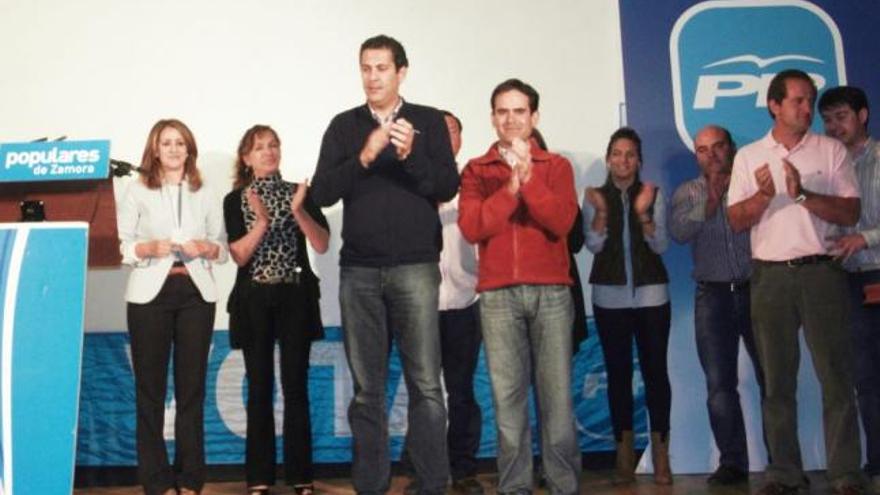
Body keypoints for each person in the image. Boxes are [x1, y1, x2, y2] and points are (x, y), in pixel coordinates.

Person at [309, 34, 459, 495]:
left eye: (381, 68)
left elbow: (447, 186)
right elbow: (322, 193)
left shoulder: (429, 122)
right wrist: (366, 156)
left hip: (415, 267)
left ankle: (432, 485)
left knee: (426, 386)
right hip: (359, 272)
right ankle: (370, 486)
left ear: (401, 72)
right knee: (366, 390)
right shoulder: (343, 126)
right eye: (366, 68)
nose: (373, 77)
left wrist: (411, 155)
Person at [727, 69, 865, 495]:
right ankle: (785, 472)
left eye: (810, 101)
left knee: (836, 377)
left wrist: (803, 194)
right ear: (774, 105)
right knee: (777, 381)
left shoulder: (830, 151)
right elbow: (735, 220)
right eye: (798, 101)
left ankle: (844, 473)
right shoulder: (749, 156)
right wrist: (766, 196)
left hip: (822, 274)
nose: (807, 109)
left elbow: (850, 213)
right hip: (769, 278)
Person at [458, 78, 581, 495]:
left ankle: (564, 485)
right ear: (493, 118)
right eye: (503, 112)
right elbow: (474, 226)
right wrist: (511, 187)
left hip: (551, 294)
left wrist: (530, 181)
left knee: (557, 401)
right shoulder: (476, 170)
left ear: (534, 117)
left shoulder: (557, 167)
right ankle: (515, 488)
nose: (511, 119)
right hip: (497, 296)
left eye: (519, 111)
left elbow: (562, 222)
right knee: (508, 404)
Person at [118, 118, 227, 495]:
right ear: (154, 149)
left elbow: (222, 248)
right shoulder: (136, 191)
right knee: (150, 391)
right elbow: (123, 246)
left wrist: (206, 248)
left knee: (191, 390)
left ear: (189, 149)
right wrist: (147, 249)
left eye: (180, 143)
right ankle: (156, 481)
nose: (174, 149)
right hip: (150, 295)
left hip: (196, 294)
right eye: (167, 143)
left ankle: (190, 479)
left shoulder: (205, 191)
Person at [223, 125, 329, 495]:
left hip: (295, 299)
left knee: (295, 386)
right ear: (247, 158)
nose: (268, 152)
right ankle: (259, 478)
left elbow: (322, 243)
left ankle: (302, 476)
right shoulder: (236, 199)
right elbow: (239, 255)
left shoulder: (298, 193)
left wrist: (298, 210)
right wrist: (264, 221)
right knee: (259, 387)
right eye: (259, 148)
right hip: (253, 300)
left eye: (273, 146)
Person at [669, 124, 766, 486]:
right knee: (719, 385)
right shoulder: (687, 192)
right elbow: (678, 233)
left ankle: (783, 461)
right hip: (712, 295)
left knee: (772, 378)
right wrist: (709, 203)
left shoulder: (754, 185)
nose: (711, 155)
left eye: (718, 147)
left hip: (757, 289)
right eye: (702, 150)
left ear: (732, 147)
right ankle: (733, 463)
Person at [583, 127, 672, 485]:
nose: (623, 160)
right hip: (609, 296)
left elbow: (662, 245)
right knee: (618, 375)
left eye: (630, 154)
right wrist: (602, 213)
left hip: (652, 295)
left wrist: (642, 214)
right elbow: (592, 245)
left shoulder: (653, 194)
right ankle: (624, 454)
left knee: (656, 375)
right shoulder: (594, 195)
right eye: (617, 154)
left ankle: (661, 454)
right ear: (608, 159)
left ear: (639, 160)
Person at [402, 111, 485, 495]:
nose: (446, 136)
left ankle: (464, 468)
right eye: (441, 130)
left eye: (453, 130)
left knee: (462, 389)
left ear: (461, 139)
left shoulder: (475, 181)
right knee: (424, 392)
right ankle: (425, 471)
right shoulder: (413, 180)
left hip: (467, 299)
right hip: (422, 303)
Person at [820, 86, 880, 492]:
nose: (833, 126)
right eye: (827, 119)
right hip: (847, 281)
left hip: (877, 268)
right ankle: (876, 463)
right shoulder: (829, 167)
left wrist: (866, 238)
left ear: (863, 115)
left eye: (841, 116)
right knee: (864, 379)